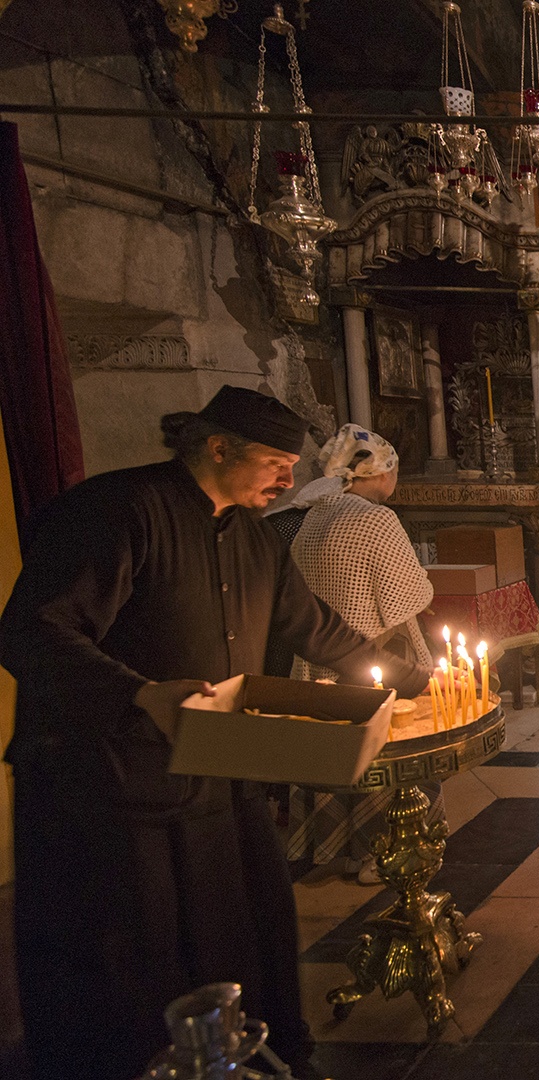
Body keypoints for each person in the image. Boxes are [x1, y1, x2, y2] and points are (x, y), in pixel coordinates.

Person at [0, 386, 430, 1080]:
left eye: (291, 465)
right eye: (273, 463)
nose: (289, 480)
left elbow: (307, 624)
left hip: (218, 768)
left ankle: (264, 1056)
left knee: (243, 925)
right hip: (112, 783)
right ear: (216, 446)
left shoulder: (253, 534)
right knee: (139, 948)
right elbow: (32, 631)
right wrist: (139, 694)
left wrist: (416, 683)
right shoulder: (118, 512)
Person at [285, 424, 438, 883]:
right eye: (394, 470)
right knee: (388, 754)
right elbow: (410, 592)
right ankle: (385, 850)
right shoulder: (374, 519)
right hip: (373, 656)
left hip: (320, 659)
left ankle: (338, 848)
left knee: (339, 749)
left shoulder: (313, 515)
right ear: (380, 471)